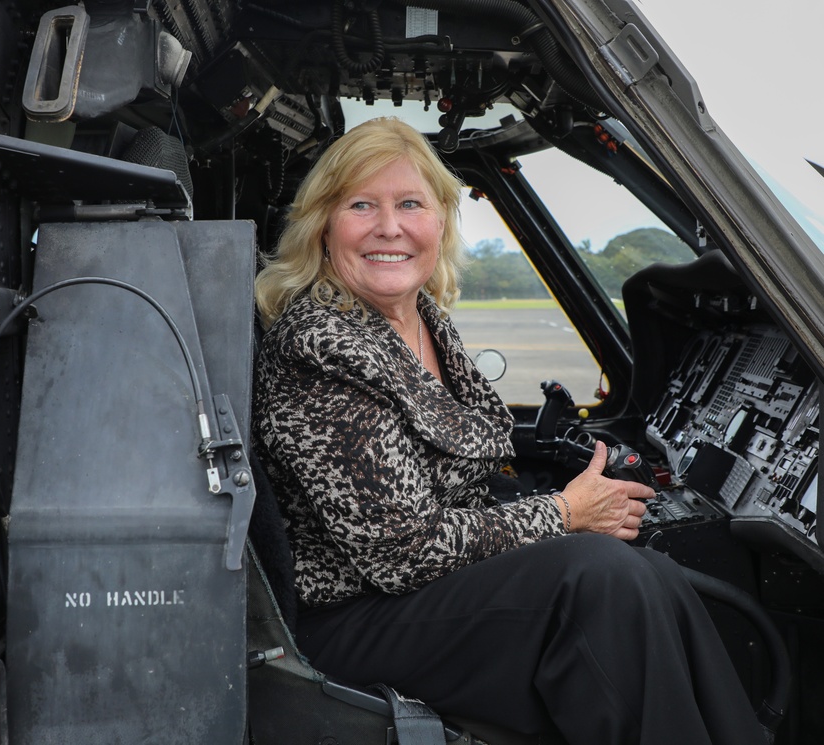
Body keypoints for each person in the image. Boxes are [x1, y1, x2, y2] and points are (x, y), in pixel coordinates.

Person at [252, 117, 765, 745]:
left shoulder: (422, 319)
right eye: (362, 205)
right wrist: (563, 510)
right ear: (325, 226)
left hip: (424, 590)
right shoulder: (321, 345)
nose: (390, 227)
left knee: (647, 571)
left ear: (440, 221)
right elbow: (399, 552)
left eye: (410, 203)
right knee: (599, 579)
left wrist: (567, 509)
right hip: (353, 616)